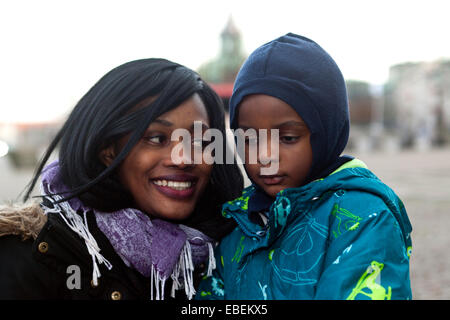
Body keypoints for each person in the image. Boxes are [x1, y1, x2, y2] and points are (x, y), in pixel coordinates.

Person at [0, 58, 244, 300]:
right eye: (157, 138)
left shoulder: (235, 256)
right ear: (108, 150)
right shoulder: (28, 257)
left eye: (200, 142)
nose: (183, 159)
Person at [196, 33, 413, 300]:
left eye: (287, 138)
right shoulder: (239, 221)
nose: (265, 156)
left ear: (327, 132)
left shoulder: (364, 219)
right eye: (249, 139)